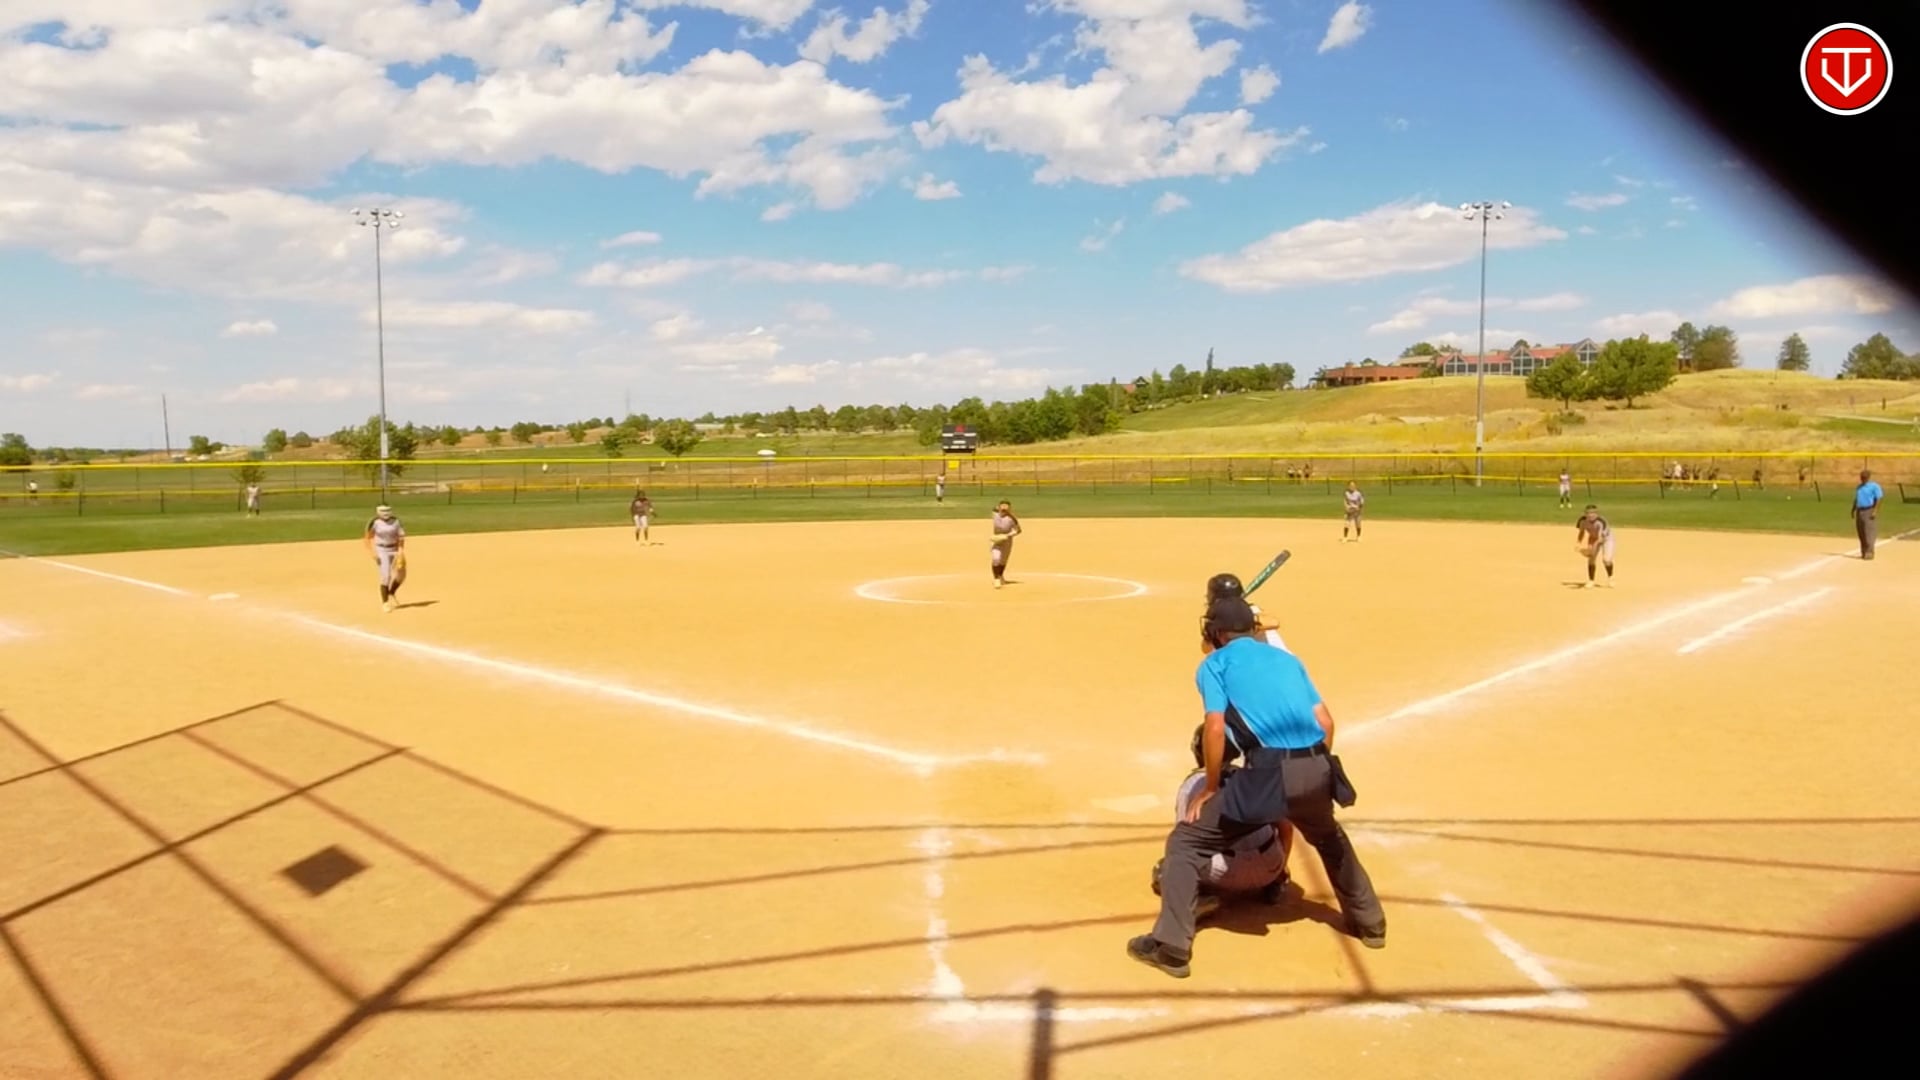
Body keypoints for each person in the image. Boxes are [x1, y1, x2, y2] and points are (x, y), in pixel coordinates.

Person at [1128, 595, 1386, 979]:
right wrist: (1311, 769)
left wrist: (1211, 786)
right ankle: (1370, 922)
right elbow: (1326, 723)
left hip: (1268, 772)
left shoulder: (1214, 664)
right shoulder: (1287, 660)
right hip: (1318, 763)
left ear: (1216, 632)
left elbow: (1215, 728)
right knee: (1329, 838)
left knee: (1186, 843)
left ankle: (1171, 948)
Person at [1150, 724, 1291, 922]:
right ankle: (1274, 885)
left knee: (1166, 867)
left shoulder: (1194, 784)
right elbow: (1286, 828)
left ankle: (1197, 901)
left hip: (1224, 874)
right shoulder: (1255, 779)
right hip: (1270, 866)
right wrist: (1279, 868)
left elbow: (1185, 842)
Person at [362, 504, 407, 613]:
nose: (386, 513)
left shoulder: (396, 521)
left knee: (401, 574)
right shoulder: (375, 522)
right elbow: (367, 538)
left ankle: (391, 592)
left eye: (387, 510)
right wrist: (372, 552)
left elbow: (401, 537)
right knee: (386, 576)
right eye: (383, 511)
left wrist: (401, 550)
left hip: (394, 549)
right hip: (382, 550)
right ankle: (385, 602)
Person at [1575, 503, 1615, 588]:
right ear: (1585, 513)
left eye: (1593, 513)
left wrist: (1592, 549)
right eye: (1588, 513)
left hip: (1606, 539)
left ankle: (1610, 578)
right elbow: (1582, 532)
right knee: (1591, 559)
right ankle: (1591, 581)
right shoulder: (1582, 520)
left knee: (1606, 560)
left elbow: (1600, 539)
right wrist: (1578, 543)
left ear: (1597, 514)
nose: (1590, 515)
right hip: (1593, 537)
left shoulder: (1601, 522)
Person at [989, 500, 1021, 588]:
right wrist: (1001, 506)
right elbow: (994, 509)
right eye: (1002, 506)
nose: (1004, 508)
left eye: (1006, 507)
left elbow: (1018, 530)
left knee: (1003, 561)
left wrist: (1007, 535)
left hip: (1007, 541)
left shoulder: (1012, 519)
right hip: (996, 540)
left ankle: (1000, 575)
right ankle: (996, 579)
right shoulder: (995, 515)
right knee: (996, 559)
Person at [1852, 469, 1883, 560]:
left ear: (1868, 477)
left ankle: (1869, 552)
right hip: (1859, 510)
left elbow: (1879, 498)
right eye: (1862, 477)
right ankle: (1864, 551)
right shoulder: (1859, 487)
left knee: (1869, 532)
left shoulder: (1874, 486)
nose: (1863, 479)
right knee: (1861, 532)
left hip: (1868, 510)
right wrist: (1853, 509)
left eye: (1864, 477)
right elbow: (1857, 499)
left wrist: (1875, 511)